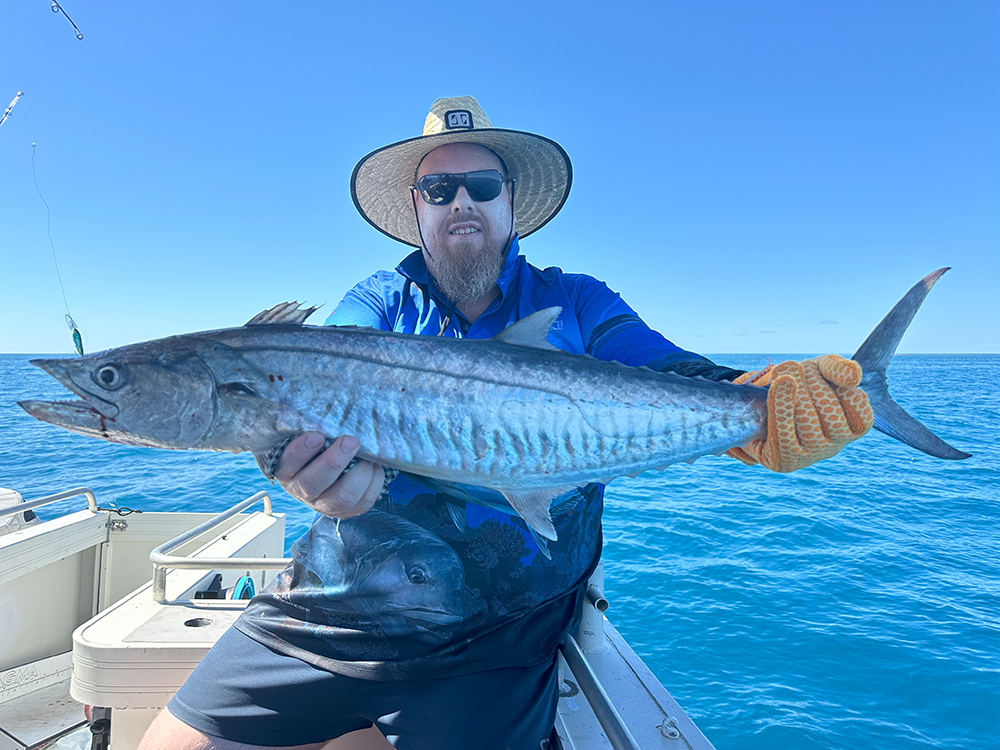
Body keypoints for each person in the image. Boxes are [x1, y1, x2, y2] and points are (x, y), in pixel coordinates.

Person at [139, 97, 873, 750]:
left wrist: (760, 407)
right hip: (339, 608)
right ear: (418, 209)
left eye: (482, 186)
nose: (462, 201)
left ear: (510, 203)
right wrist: (303, 476)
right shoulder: (377, 305)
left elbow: (675, 374)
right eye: (438, 187)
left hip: (504, 632)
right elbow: (308, 389)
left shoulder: (577, 301)